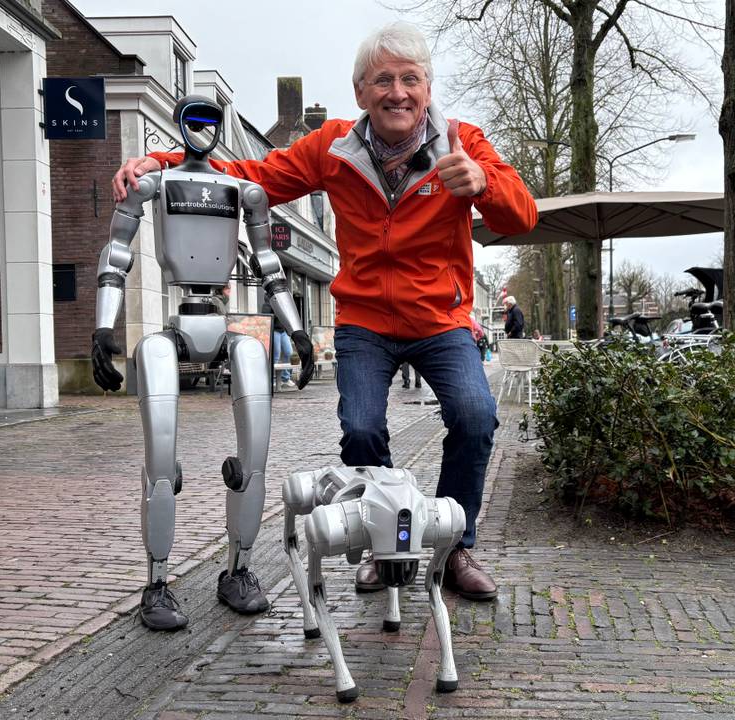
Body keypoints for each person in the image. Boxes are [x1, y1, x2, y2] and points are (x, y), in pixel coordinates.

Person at [112, 22, 537, 602]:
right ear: (361, 92)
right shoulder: (334, 148)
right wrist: (161, 163)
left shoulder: (463, 143)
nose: (398, 92)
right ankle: (376, 546)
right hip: (365, 321)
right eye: (382, 80)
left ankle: (455, 548)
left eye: (411, 80)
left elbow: (524, 217)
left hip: (441, 321)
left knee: (475, 416)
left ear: (428, 89)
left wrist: (484, 183)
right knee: (361, 430)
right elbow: (251, 176)